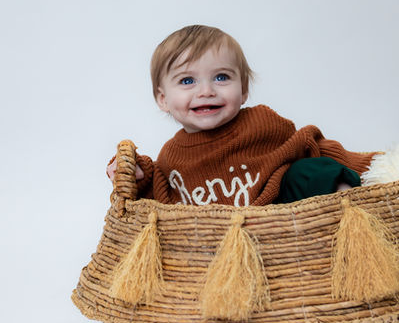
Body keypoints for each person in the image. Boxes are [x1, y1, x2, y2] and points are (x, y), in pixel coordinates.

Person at [107, 25, 374, 207]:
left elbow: (308, 145)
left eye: (221, 77)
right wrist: (135, 172)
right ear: (163, 99)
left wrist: (370, 166)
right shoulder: (171, 158)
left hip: (282, 217)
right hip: (222, 248)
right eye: (187, 81)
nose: (206, 91)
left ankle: (349, 218)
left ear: (244, 90)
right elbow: (158, 197)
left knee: (311, 171)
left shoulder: (261, 123)